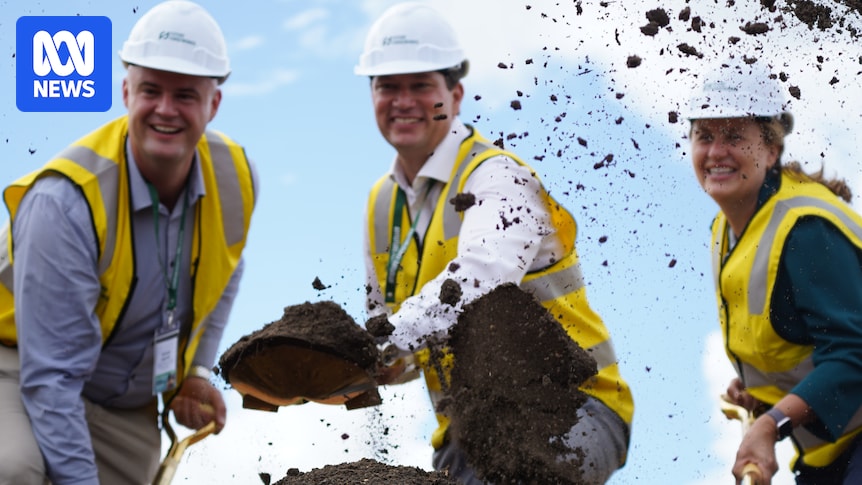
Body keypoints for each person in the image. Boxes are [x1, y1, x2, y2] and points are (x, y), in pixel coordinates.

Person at [355, 3, 634, 483]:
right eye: (387, 86)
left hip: (571, 410)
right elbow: (397, 339)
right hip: (463, 434)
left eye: (420, 85)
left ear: (455, 94)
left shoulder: (497, 176)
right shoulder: (382, 206)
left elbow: (481, 276)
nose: (402, 100)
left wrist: (381, 344)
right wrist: (361, 366)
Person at [0, 1, 257, 484]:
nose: (165, 109)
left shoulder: (235, 177)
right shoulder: (66, 202)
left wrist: (195, 372)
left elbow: (227, 268)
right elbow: (50, 380)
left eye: (185, 95)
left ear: (213, 104)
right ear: (125, 91)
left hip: (125, 399)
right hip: (20, 369)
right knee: (13, 470)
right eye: (150, 90)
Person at [688, 57, 862, 484]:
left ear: (771, 149)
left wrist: (770, 427)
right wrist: (764, 397)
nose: (716, 152)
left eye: (734, 136)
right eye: (704, 135)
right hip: (830, 451)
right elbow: (796, 340)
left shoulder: (804, 230)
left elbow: (855, 354)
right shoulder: (727, 229)